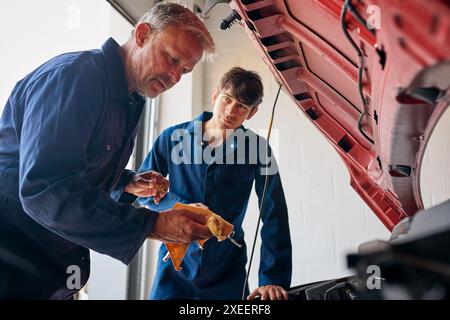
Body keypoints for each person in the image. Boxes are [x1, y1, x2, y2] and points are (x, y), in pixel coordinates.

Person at [0, 2, 215, 299]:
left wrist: (124, 181)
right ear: (142, 34)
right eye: (172, 58)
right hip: (11, 256)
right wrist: (152, 224)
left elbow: (76, 169)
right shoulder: (75, 78)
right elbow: (45, 188)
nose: (175, 77)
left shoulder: (130, 100)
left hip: (49, 267)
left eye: (185, 71)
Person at [138, 67, 292, 300]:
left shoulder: (258, 149)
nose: (231, 111)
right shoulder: (172, 138)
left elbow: (274, 214)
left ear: (252, 113)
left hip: (228, 270)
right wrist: (184, 209)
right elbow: (142, 191)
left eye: (242, 106)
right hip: (175, 266)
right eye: (227, 99)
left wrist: (272, 279)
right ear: (214, 95)